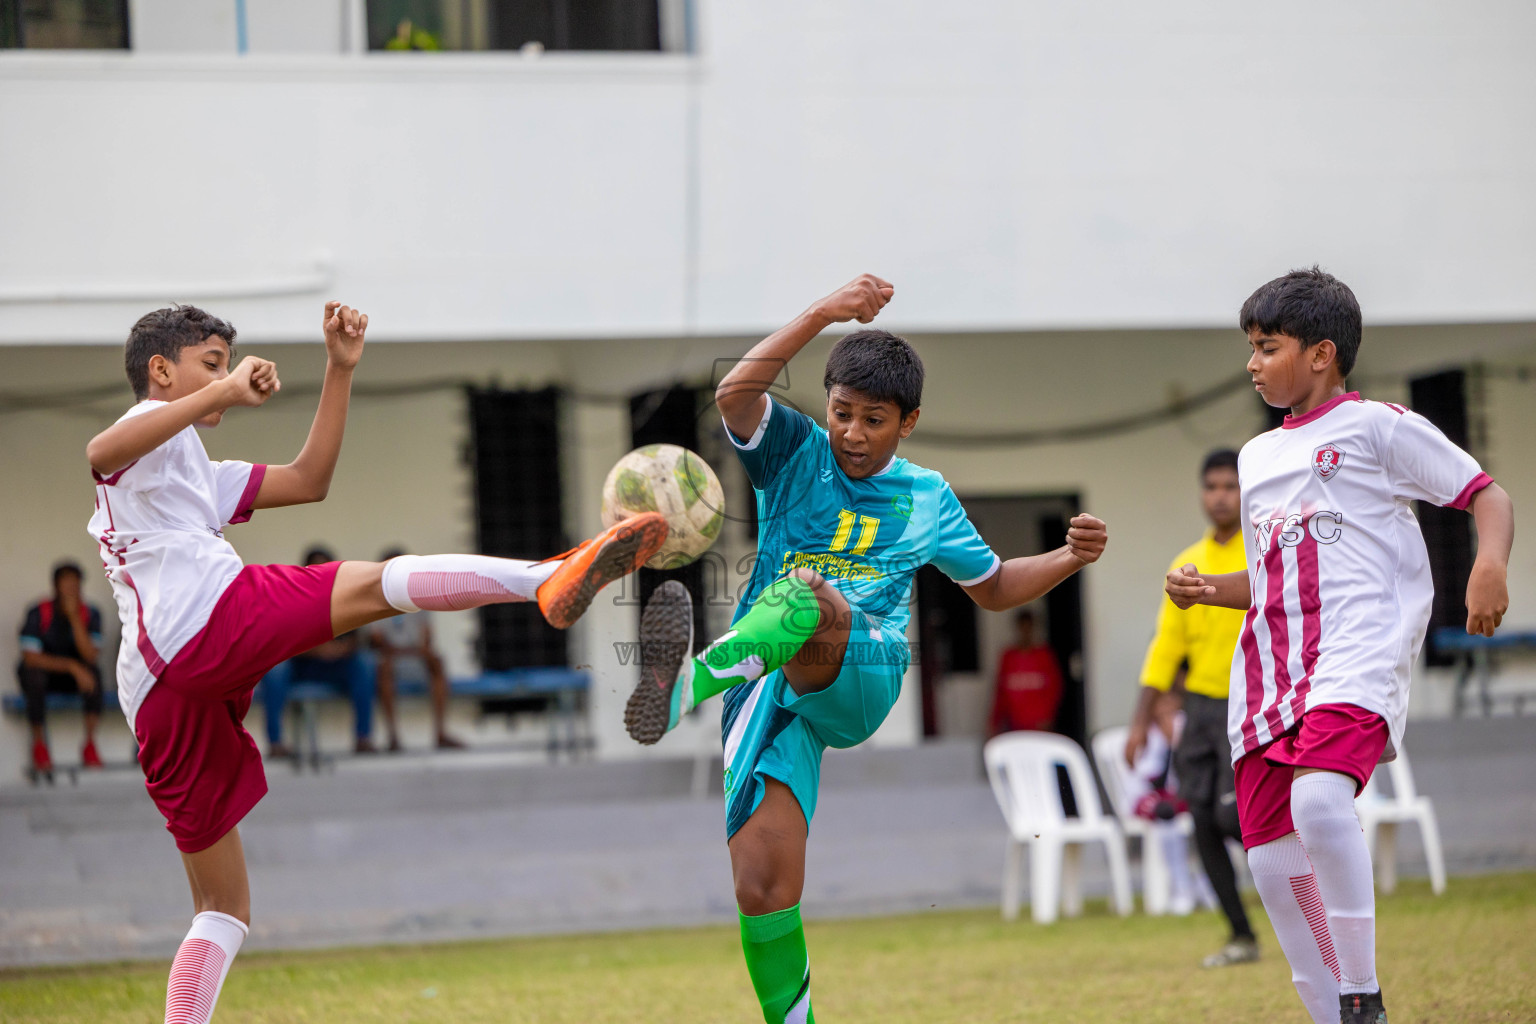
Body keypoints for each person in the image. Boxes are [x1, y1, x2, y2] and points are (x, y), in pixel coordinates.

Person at [85, 301, 668, 1024]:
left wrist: (339, 368)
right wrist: (225, 392)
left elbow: (309, 479)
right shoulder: (135, 439)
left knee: (223, 907)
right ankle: (542, 578)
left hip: (159, 693)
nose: (226, 375)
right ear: (161, 370)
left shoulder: (195, 471)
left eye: (225, 366)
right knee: (375, 583)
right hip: (198, 625)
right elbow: (102, 454)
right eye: (212, 362)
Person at [624, 275, 1108, 1024]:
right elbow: (734, 397)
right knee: (762, 888)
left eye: (872, 420)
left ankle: (685, 685)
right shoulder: (794, 452)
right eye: (842, 412)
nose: (851, 432)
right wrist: (821, 312)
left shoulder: (928, 496)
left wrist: (1068, 558)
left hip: (863, 665)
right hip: (769, 686)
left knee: (812, 596)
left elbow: (996, 586)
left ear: (907, 422)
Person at [1165, 267, 1514, 1024]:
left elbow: (1486, 494)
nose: (1252, 364)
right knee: (1269, 857)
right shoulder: (1256, 459)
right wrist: (1207, 589)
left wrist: (1488, 564)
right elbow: (1270, 583)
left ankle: (1363, 995)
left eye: (1267, 347)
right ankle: (1334, 1015)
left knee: (1321, 800)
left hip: (1356, 653)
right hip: (1269, 676)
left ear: (1321, 354)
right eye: (1250, 349)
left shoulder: (1378, 426)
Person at [1125, 448, 1259, 967]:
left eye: (1230, 486)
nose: (1220, 496)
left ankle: (1305, 913)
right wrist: (1140, 723)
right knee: (1200, 819)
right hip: (1201, 711)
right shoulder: (1186, 563)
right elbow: (1166, 649)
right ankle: (1241, 935)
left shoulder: (1263, 553)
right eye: (1212, 487)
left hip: (1251, 704)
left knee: (1237, 820)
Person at [260, 546, 378, 757]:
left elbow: (357, 638)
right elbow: (281, 642)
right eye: (314, 567)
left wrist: (339, 649)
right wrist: (316, 651)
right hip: (302, 666)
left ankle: (363, 737)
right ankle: (275, 742)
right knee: (275, 670)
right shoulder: (291, 598)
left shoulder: (348, 596)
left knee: (365, 663)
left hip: (337, 666)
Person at [369, 547, 465, 751]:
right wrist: (407, 651)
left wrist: (415, 651)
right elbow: (376, 641)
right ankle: (393, 737)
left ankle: (440, 732)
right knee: (382, 667)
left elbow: (427, 637)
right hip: (390, 660)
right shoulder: (373, 600)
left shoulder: (419, 596)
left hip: (414, 658)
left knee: (437, 662)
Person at [17, 561, 105, 772]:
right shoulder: (39, 611)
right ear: (55, 586)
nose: (71, 589)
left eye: (75, 585)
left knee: (94, 674)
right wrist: (72, 666)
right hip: (45, 676)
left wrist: (75, 618)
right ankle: (39, 746)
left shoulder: (90, 613)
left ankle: (90, 744)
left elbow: (91, 656)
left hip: (74, 679)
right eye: (66, 584)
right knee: (33, 676)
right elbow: (30, 657)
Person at [987, 607, 1064, 736]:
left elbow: (1055, 689)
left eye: (1029, 627)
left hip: (1039, 725)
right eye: (1022, 627)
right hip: (1015, 724)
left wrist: (1048, 717)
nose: (1025, 631)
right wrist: (995, 721)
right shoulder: (1008, 657)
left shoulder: (1044, 655)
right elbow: (1000, 692)